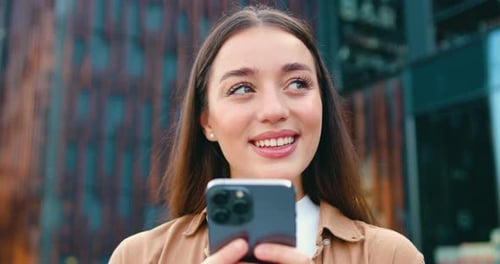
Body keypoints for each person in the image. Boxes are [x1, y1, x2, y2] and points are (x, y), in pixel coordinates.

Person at [109, 5, 424, 264]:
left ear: (323, 106)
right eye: (242, 88)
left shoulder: (390, 255)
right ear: (207, 123)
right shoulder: (138, 257)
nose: (274, 110)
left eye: (298, 83)